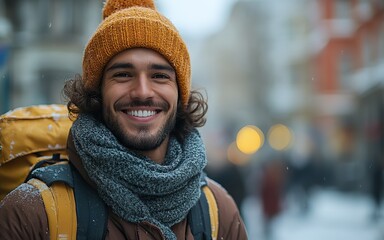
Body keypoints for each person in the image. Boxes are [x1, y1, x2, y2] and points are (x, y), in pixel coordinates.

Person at [0, 0, 248, 239]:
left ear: (180, 94)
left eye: (159, 76)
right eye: (123, 74)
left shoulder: (219, 212)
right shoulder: (35, 213)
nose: (142, 91)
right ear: (97, 93)